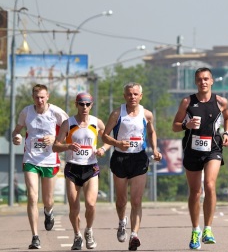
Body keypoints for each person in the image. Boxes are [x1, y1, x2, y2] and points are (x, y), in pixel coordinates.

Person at [172, 67, 228, 250]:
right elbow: (174, 126)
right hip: (192, 150)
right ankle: (195, 230)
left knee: (210, 185)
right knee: (195, 192)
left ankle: (208, 229)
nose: (203, 82)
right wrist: (186, 124)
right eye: (199, 79)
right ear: (195, 82)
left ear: (212, 81)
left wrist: (226, 133)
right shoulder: (187, 102)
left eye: (206, 79)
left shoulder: (221, 102)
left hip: (213, 148)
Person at [102, 82, 162, 251]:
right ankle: (122, 222)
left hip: (139, 159)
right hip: (120, 159)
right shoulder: (116, 114)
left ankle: (134, 235)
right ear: (124, 96)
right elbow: (104, 136)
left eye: (136, 94)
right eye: (129, 94)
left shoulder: (147, 114)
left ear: (141, 96)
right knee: (121, 201)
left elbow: (151, 132)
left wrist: (155, 149)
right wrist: (117, 143)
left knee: (136, 200)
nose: (132, 97)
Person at [11, 84, 68, 249]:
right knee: (33, 197)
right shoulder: (26, 112)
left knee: (48, 200)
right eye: (37, 97)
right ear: (33, 98)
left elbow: (70, 130)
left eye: (42, 97)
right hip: (31, 159)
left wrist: (55, 138)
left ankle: (49, 212)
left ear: (48, 96)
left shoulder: (56, 112)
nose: (40, 100)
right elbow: (16, 131)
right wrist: (16, 137)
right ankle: (35, 236)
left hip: (49, 159)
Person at [53, 92, 111, 250]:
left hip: (90, 167)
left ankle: (89, 230)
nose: (84, 107)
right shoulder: (68, 123)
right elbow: (55, 146)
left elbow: (108, 140)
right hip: (72, 167)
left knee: (91, 204)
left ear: (91, 105)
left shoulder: (96, 122)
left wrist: (103, 149)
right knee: (74, 207)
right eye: (81, 104)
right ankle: (77, 235)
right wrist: (68, 146)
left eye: (87, 104)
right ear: (76, 105)